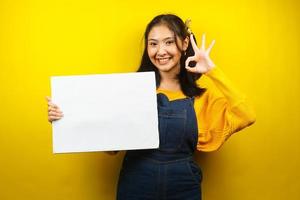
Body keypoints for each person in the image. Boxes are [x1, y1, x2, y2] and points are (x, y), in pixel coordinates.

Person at [47, 14, 256, 200]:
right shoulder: (131, 90)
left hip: (184, 185)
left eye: (168, 42)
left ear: (184, 44)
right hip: (136, 184)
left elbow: (247, 115)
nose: (160, 51)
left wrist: (212, 70)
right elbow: (111, 148)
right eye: (153, 44)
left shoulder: (202, 97)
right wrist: (65, 118)